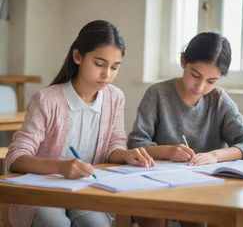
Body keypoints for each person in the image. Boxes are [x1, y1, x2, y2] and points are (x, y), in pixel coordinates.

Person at [6, 20, 153, 227]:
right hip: (44, 193)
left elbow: (113, 145)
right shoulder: (47, 100)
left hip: (86, 190)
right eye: (99, 64)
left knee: (97, 224)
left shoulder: (115, 97)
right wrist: (61, 167)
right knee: (55, 224)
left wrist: (126, 155)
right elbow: (16, 158)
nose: (107, 74)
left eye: (114, 67)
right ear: (78, 57)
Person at [128, 32, 243, 227]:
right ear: (182, 62)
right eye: (195, 75)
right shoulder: (158, 93)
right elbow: (136, 142)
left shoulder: (219, 100)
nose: (200, 86)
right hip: (159, 184)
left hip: (206, 188)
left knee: (211, 215)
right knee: (151, 214)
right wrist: (167, 151)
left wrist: (214, 156)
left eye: (211, 81)